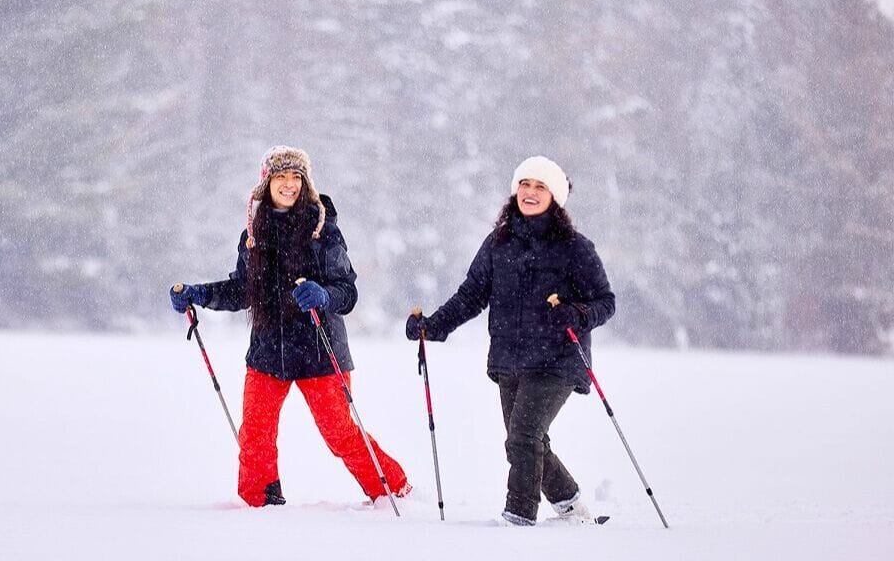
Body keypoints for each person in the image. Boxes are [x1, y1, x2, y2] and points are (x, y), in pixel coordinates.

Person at [170, 145, 410, 507]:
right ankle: (261, 502)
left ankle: (395, 491)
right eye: (281, 176)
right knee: (256, 433)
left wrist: (324, 296)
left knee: (339, 433)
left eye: (295, 177)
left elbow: (348, 291)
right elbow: (242, 290)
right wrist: (197, 293)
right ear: (266, 182)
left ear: (305, 182)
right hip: (269, 350)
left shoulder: (322, 228)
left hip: (320, 350)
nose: (288, 184)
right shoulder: (253, 232)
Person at [406, 156, 615, 526]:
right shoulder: (498, 243)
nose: (530, 192)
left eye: (540, 187)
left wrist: (577, 314)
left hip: (559, 360)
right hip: (510, 360)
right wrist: (433, 326)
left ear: (555, 196)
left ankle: (518, 517)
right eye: (525, 184)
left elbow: (604, 302)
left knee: (524, 435)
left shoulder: (574, 247)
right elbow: (471, 294)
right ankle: (570, 506)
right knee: (526, 441)